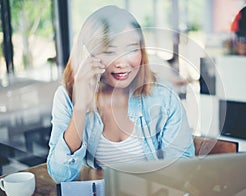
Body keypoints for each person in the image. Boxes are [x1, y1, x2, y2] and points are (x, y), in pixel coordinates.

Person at [47, 5, 195, 183]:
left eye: (132, 50)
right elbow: (60, 174)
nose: (122, 63)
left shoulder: (163, 96)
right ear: (86, 55)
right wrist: (80, 107)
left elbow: (182, 169)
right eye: (110, 51)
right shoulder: (66, 96)